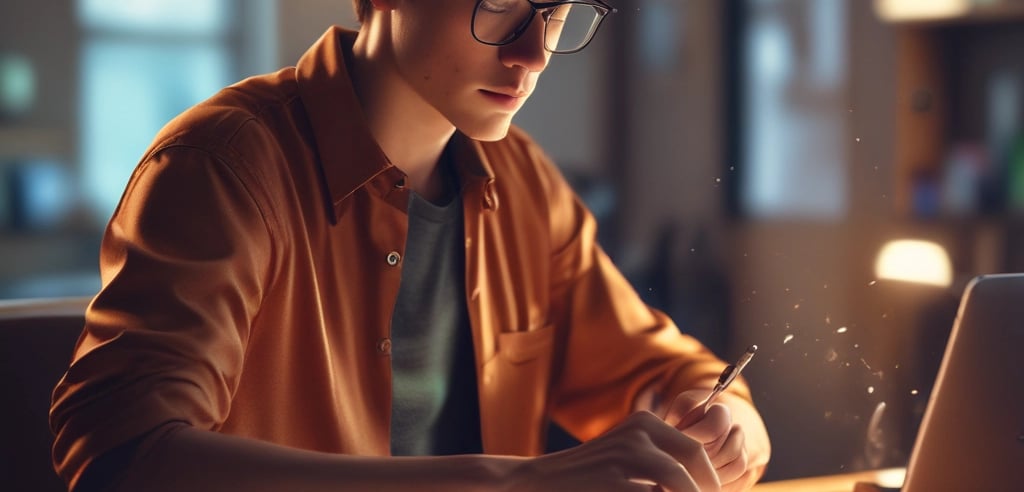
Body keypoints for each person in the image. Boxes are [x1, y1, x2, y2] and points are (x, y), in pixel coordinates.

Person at [50, 0, 771, 490]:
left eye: (553, 9)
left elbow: (664, 371)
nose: (534, 52)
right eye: (496, 5)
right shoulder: (226, 166)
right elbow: (123, 458)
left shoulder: (522, 184)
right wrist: (512, 481)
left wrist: (724, 421)